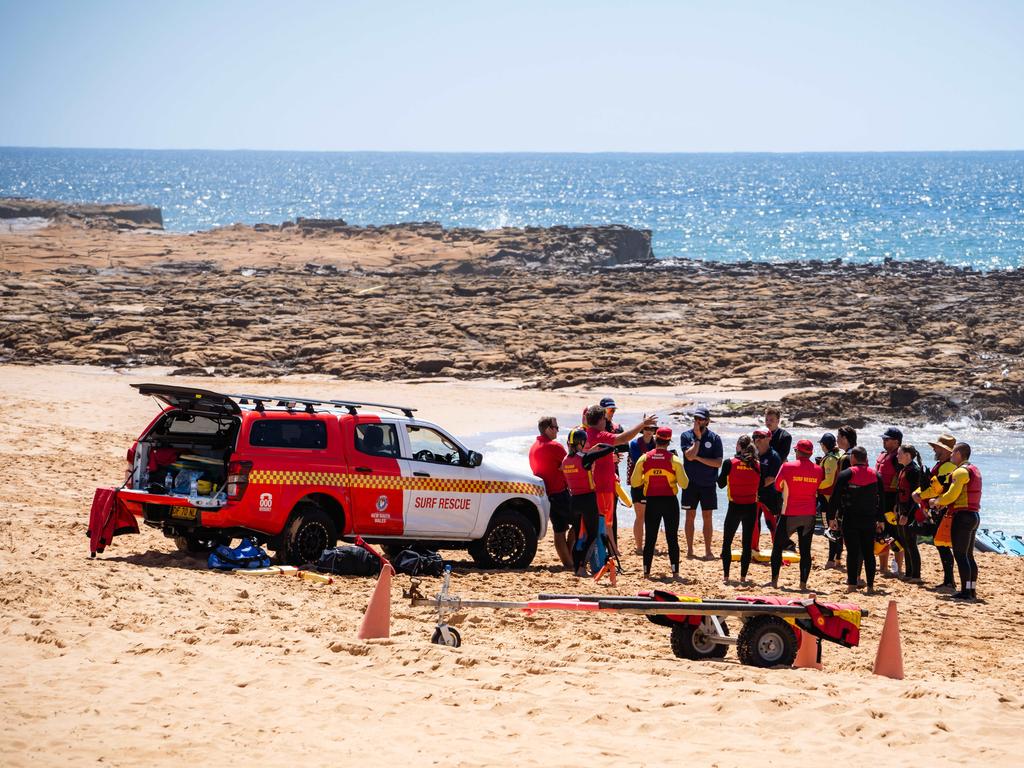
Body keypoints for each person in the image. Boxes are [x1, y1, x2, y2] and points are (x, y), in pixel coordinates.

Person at [583, 405, 658, 552]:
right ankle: (612, 553)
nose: (606, 421)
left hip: (591, 487)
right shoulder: (600, 436)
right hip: (603, 487)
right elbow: (624, 438)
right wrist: (643, 424)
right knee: (606, 522)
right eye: (604, 418)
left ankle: (612, 551)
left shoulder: (586, 435)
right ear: (600, 420)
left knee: (596, 522)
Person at [630, 426, 688, 579]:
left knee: (650, 538)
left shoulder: (644, 458)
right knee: (672, 538)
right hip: (670, 502)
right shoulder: (674, 459)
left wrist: (646, 479)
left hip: (652, 502)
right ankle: (675, 572)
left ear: (655, 439)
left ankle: (646, 572)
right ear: (668, 442)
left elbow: (634, 482)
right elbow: (685, 484)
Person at [827, 446, 884, 593]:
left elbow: (835, 498)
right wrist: (881, 519)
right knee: (868, 553)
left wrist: (831, 517)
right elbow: (882, 500)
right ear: (865, 459)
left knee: (852, 552)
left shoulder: (846, 474)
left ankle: (852, 585)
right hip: (869, 519)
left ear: (853, 458)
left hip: (850, 518)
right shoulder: (876, 475)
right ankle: (870, 587)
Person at [561, 428, 616, 577]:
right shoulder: (586, 459)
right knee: (591, 535)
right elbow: (610, 448)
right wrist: (599, 444)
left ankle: (576, 567)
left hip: (574, 501)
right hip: (588, 500)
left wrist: (589, 451)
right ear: (581, 443)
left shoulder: (565, 460)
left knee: (579, 536)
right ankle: (581, 568)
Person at [931, 442, 982, 600]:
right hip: (974, 516)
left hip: (963, 517)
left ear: (959, 454)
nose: (951, 455)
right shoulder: (974, 469)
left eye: (953, 453)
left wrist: (936, 501)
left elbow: (951, 495)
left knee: (960, 555)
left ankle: (966, 592)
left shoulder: (960, 472)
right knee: (968, 556)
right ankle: (970, 589)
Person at [770, 439, 823, 591]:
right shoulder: (818, 470)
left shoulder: (787, 467)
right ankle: (803, 584)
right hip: (809, 515)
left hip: (790, 513)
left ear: (798, 452)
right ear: (811, 453)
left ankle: (774, 582)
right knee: (805, 550)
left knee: (778, 547)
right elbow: (818, 486)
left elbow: (777, 486)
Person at [912, 433, 958, 591]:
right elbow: (929, 484)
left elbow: (937, 489)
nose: (934, 450)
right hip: (939, 508)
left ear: (946, 451)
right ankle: (948, 580)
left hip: (943, 509)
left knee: (942, 544)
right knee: (941, 544)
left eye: (937, 448)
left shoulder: (947, 467)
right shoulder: (942, 464)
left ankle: (949, 582)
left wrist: (920, 495)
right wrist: (918, 493)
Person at [679, 405, 724, 560]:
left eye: (701, 419)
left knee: (707, 516)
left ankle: (708, 550)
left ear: (707, 421)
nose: (698, 421)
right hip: (690, 483)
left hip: (708, 484)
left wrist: (699, 458)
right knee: (689, 516)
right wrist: (697, 439)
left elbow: (718, 463)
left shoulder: (715, 438)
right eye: (696, 418)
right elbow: (690, 456)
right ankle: (690, 550)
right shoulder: (686, 436)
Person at [528, 416, 573, 568]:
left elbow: (563, 465)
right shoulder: (554, 446)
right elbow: (572, 463)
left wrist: (562, 467)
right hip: (558, 493)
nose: (558, 430)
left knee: (559, 530)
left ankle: (568, 561)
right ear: (548, 429)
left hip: (545, 493)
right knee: (579, 523)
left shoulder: (534, 446)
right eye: (555, 427)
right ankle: (570, 561)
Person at [717, 434, 762, 584]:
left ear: (738, 446)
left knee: (727, 542)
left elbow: (721, 484)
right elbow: (760, 485)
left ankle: (726, 577)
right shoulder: (757, 465)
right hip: (751, 507)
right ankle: (743, 577)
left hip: (734, 506)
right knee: (746, 544)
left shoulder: (730, 462)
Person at [827, 425, 858, 567]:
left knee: (837, 530)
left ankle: (834, 560)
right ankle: (838, 559)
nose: (837, 440)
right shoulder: (858, 453)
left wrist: (836, 503)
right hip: (857, 499)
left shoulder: (846, 457)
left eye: (839, 437)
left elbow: (841, 483)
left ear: (846, 439)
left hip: (845, 500)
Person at [894, 443, 925, 584]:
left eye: (899, 453)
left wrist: (906, 514)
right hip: (902, 509)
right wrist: (897, 507)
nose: (897, 455)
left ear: (907, 455)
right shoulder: (904, 469)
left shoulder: (914, 470)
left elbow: (914, 496)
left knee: (911, 542)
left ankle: (916, 574)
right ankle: (908, 572)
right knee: (904, 542)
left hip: (910, 511)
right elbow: (900, 491)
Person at [875, 427, 903, 577]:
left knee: (895, 535)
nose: (884, 441)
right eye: (883, 439)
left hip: (892, 500)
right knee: (881, 534)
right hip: (881, 499)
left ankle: (898, 569)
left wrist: (898, 504)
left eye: (887, 439)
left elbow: (901, 481)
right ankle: (883, 568)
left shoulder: (897, 458)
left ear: (896, 442)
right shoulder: (884, 455)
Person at [627, 425, 658, 554]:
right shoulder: (634, 443)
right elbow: (639, 461)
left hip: (653, 483)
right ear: (642, 429)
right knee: (640, 516)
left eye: (652, 429)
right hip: (638, 483)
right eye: (647, 428)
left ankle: (650, 546)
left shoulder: (657, 443)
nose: (649, 431)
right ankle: (639, 547)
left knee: (652, 517)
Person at [751, 428, 782, 552]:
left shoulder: (774, 456)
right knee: (753, 523)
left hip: (770, 496)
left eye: (761, 436)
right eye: (755, 436)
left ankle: (777, 550)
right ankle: (754, 548)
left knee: (772, 524)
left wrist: (755, 487)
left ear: (769, 438)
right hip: (755, 495)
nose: (757, 439)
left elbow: (771, 478)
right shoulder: (753, 454)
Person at [817, 433, 844, 569]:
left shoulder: (831, 459)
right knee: (837, 528)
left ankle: (831, 560)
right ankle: (837, 558)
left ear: (823, 445)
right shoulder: (839, 455)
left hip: (828, 499)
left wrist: (814, 486)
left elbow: (828, 481)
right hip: (837, 498)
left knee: (830, 529)